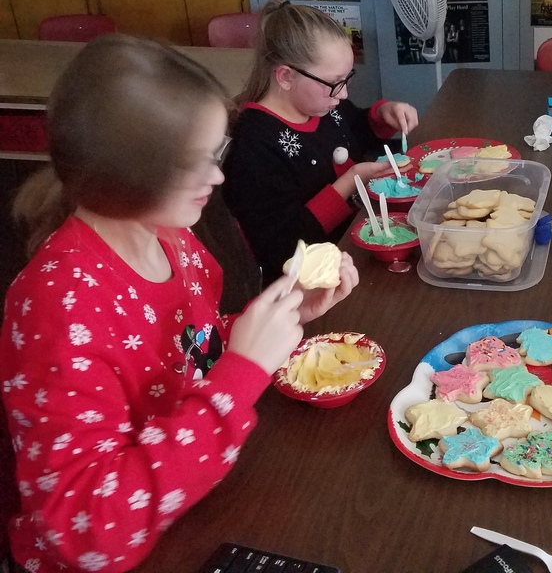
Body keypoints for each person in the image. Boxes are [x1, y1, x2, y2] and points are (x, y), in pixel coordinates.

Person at [0, 35, 359, 573]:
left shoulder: (168, 234)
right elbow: (88, 533)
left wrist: (283, 316)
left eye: (218, 154)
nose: (217, 178)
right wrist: (243, 371)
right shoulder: (60, 306)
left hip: (197, 495)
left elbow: (191, 349)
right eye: (197, 164)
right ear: (128, 173)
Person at [223, 0, 418, 286]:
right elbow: (284, 246)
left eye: (347, 79)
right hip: (310, 282)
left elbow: (353, 127)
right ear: (286, 77)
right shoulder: (254, 146)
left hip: (353, 248)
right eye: (335, 83)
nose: (342, 95)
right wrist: (350, 181)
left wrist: (383, 114)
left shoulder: (323, 105)